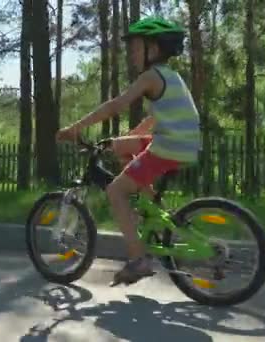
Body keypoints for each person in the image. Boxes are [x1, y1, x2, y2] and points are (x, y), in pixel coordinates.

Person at [56, 17, 201, 285]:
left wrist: (76, 128)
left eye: (135, 48)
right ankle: (153, 208)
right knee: (120, 146)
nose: (131, 54)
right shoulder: (171, 77)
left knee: (115, 190)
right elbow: (156, 118)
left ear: (153, 49)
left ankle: (138, 260)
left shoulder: (150, 76)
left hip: (168, 147)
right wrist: (130, 137)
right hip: (181, 142)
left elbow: (115, 105)